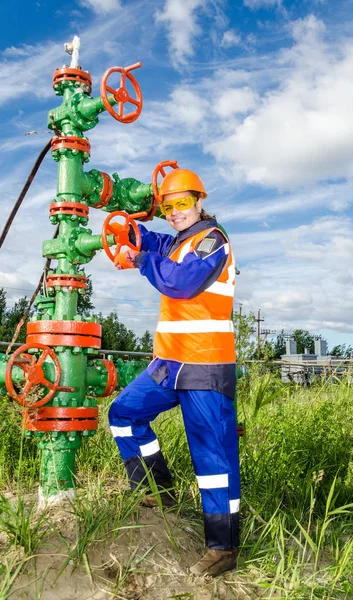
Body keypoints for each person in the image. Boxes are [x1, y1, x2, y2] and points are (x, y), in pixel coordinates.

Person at [108, 167, 240, 577]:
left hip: (205, 365)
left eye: (182, 203)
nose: (175, 212)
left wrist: (140, 258)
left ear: (200, 200)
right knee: (124, 415)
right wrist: (126, 225)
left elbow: (180, 284)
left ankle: (223, 549)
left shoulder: (212, 242)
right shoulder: (177, 242)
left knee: (213, 459)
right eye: (168, 206)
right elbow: (149, 239)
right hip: (169, 365)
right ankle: (158, 488)